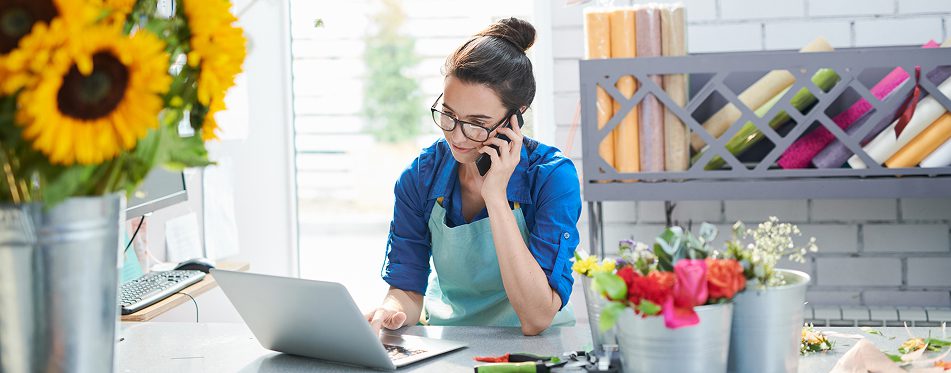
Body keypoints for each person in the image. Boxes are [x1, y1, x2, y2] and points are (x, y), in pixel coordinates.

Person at [365, 17, 581, 336]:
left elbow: (536, 317)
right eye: (449, 114)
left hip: (537, 349)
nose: (458, 136)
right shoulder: (420, 177)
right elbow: (407, 290)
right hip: (451, 343)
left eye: (477, 123)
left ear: (515, 117)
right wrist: (391, 310)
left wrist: (495, 197)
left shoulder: (552, 178)